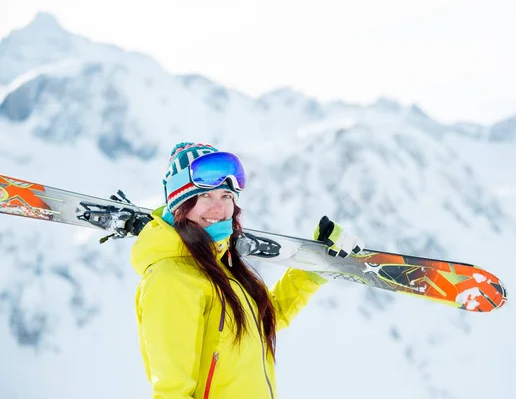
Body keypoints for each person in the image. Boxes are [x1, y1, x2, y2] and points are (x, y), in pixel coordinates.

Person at [130, 142, 364, 399]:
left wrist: (314, 267)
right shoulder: (171, 279)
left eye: (226, 196)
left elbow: (265, 318)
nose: (218, 209)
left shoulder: (222, 268)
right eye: (205, 195)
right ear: (180, 203)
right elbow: (172, 392)